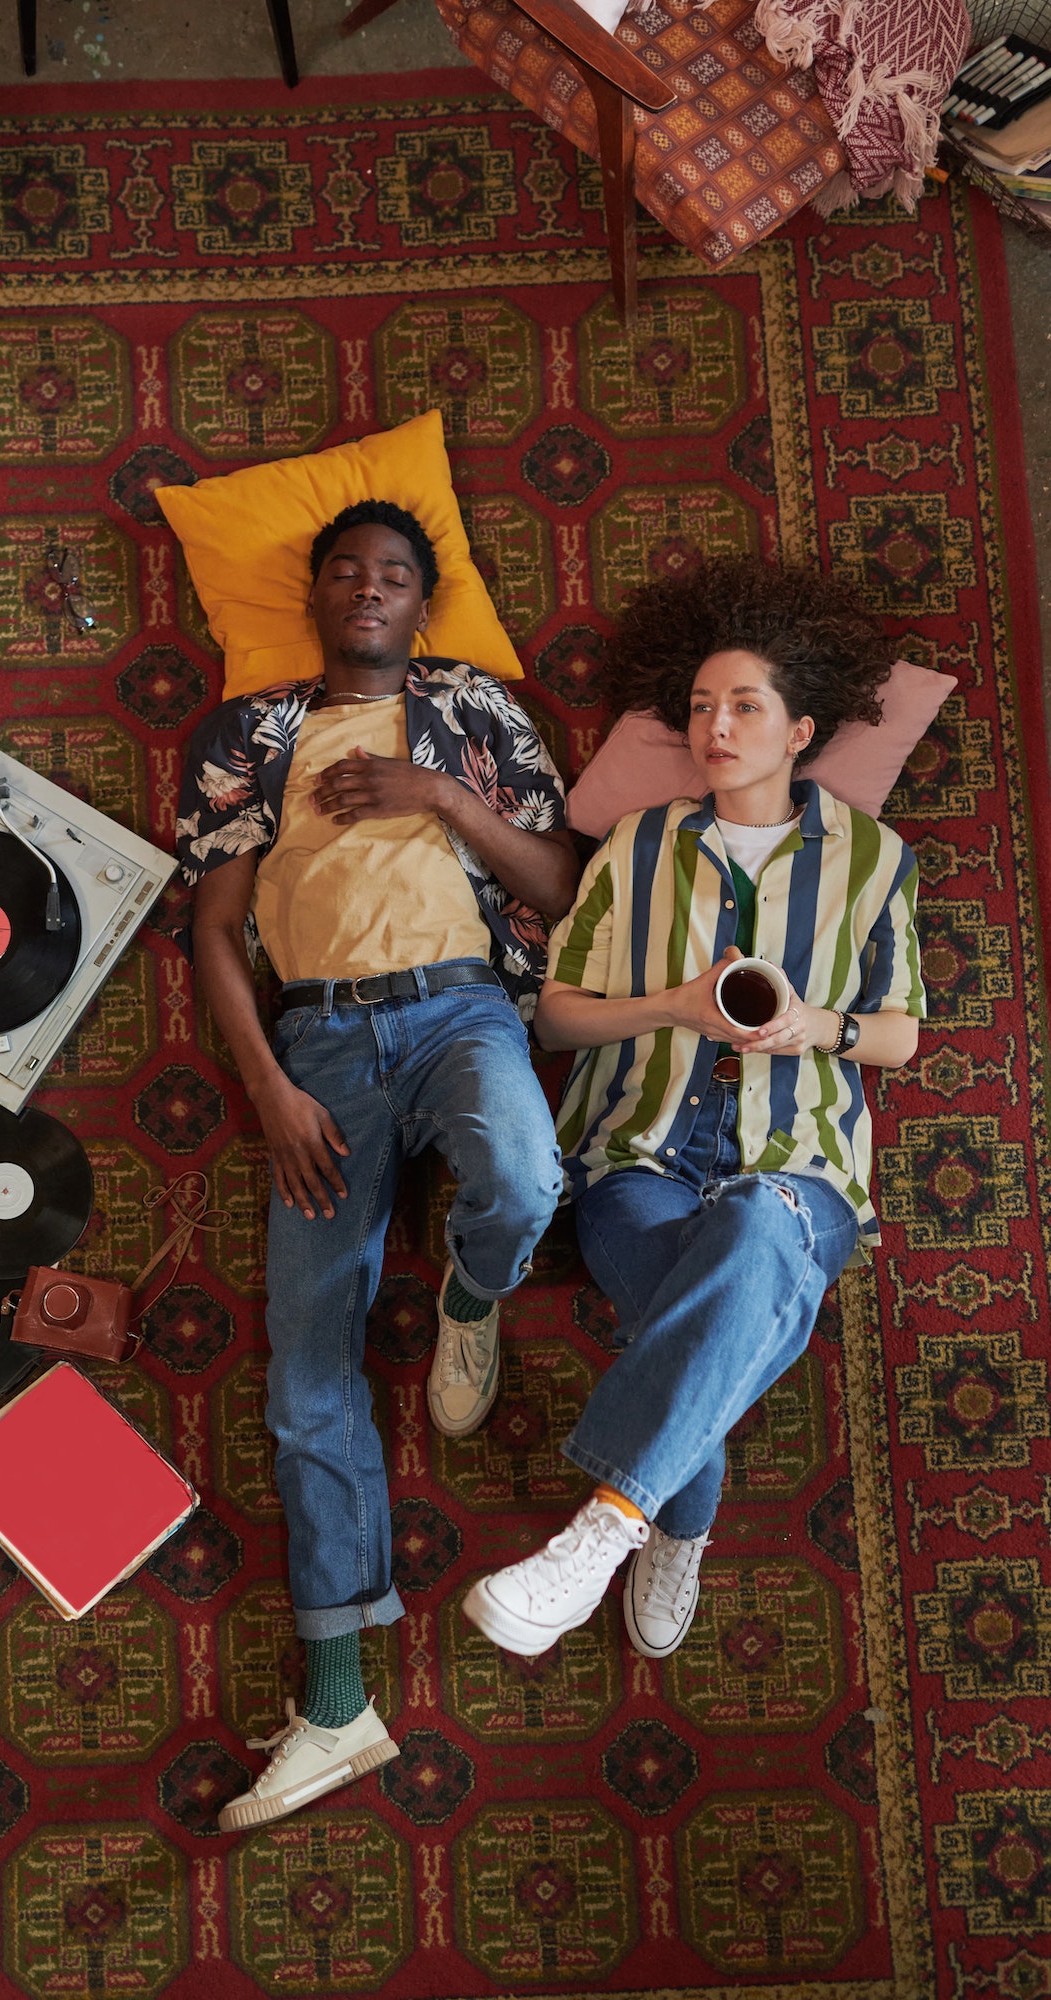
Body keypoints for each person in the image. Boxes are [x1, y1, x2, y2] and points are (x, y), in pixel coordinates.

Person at [175, 499, 578, 1829]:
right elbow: (217, 933)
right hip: (325, 1048)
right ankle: (338, 1705)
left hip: (464, 1009)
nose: (367, 587)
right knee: (304, 1372)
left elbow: (563, 887)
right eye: (345, 569)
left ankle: (470, 1294)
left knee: (525, 1184)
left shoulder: (474, 711)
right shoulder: (251, 734)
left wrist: (439, 793)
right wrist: (273, 1089)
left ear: (422, 600)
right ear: (315, 595)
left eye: (394, 574)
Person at [463, 555, 925, 1663]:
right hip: (640, 1159)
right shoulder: (638, 846)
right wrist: (674, 1004)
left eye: (745, 705)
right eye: (702, 706)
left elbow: (901, 1032)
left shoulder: (870, 857)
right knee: (708, 1312)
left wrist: (810, 1026)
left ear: (799, 730)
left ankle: (602, 1530)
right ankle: (679, 1514)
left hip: (798, 1165)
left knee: (760, 1229)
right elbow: (559, 1019)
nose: (716, 724)